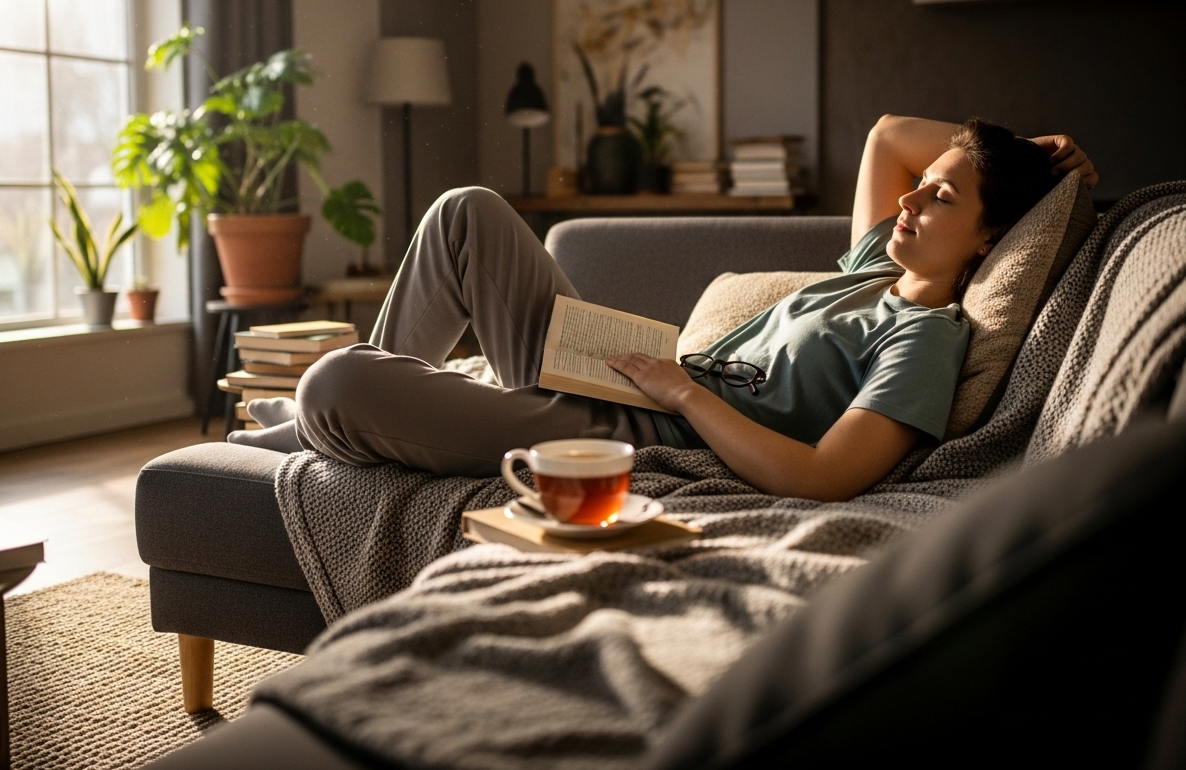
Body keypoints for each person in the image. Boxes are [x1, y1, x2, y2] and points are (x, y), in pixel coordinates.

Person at [231, 115, 1097, 501]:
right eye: (919, 192)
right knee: (467, 211)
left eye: (941, 201)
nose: (908, 202)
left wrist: (685, 395)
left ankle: (307, 420)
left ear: (989, 242)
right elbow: (886, 136)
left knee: (335, 381)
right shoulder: (869, 268)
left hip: (640, 428)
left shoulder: (924, 339)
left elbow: (827, 476)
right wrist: (1023, 147)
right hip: (623, 368)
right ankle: (338, 412)